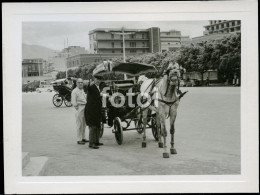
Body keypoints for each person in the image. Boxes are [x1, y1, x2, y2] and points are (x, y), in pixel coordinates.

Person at [84, 75, 104, 149]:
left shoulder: (97, 87)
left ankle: (96, 141)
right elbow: (88, 88)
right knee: (92, 127)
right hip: (91, 110)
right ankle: (91, 143)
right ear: (94, 79)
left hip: (96, 110)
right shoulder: (92, 87)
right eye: (97, 79)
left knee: (98, 126)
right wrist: (89, 83)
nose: (98, 81)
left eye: (100, 79)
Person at [71, 78, 88, 145]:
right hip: (79, 107)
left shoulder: (82, 90)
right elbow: (73, 101)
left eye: (81, 82)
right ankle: (79, 139)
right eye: (79, 82)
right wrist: (77, 108)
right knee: (79, 124)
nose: (80, 83)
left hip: (84, 107)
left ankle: (83, 138)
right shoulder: (74, 91)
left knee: (84, 124)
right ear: (76, 83)